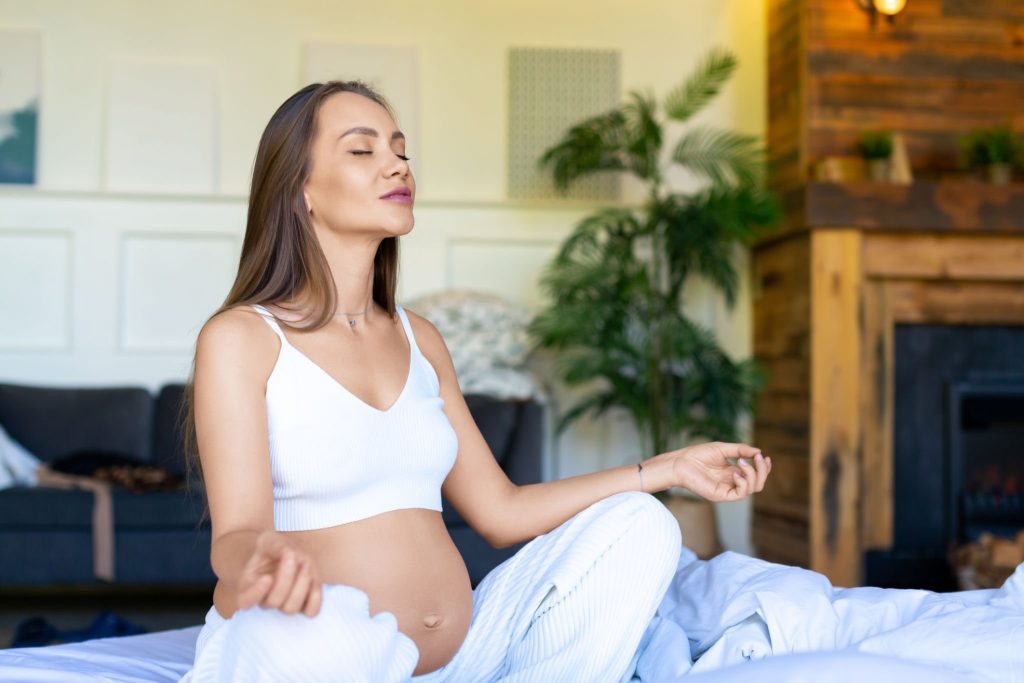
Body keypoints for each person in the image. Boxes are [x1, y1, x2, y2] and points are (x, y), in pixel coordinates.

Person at [178, 80, 771, 683]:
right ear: (299, 187)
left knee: (642, 525)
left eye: (400, 149)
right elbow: (236, 536)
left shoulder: (421, 340)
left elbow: (500, 510)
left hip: (466, 659)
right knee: (304, 630)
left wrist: (669, 469)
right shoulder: (243, 338)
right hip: (325, 649)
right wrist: (261, 557)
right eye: (364, 150)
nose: (397, 164)